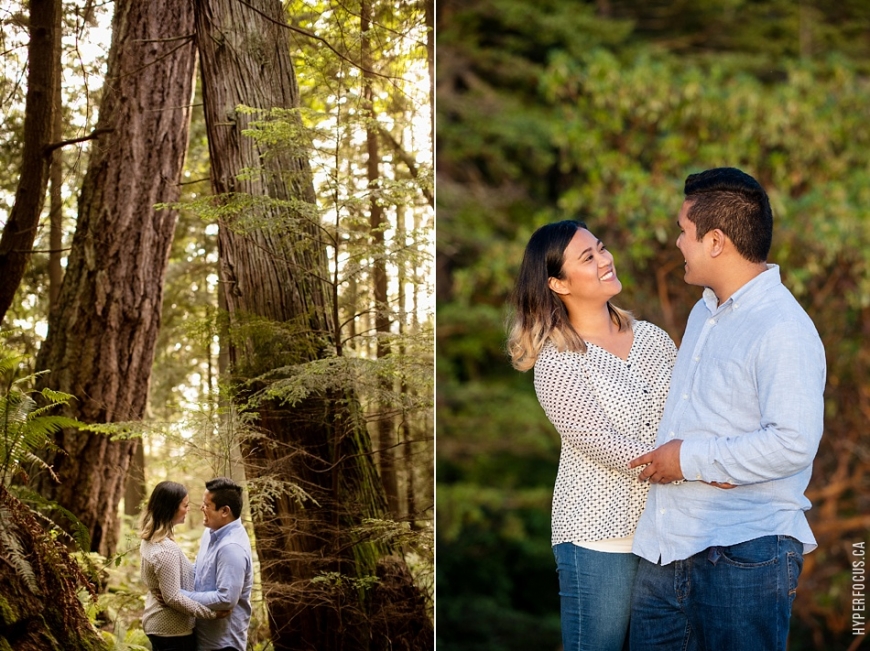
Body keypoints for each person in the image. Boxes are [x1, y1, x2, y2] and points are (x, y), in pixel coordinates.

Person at [628, 167, 826, 651]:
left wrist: (687, 459)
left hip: (744, 554)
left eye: (684, 232)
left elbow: (794, 442)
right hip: (666, 550)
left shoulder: (783, 327)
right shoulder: (704, 311)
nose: (677, 243)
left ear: (716, 241)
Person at [508, 220, 678, 651]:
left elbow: (687, 414)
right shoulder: (557, 360)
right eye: (588, 257)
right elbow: (597, 438)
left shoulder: (654, 339)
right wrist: (677, 465)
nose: (605, 259)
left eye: (602, 248)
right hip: (598, 535)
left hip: (666, 533)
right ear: (557, 283)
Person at [139, 481, 230, 651]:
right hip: (171, 632)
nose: (188, 509)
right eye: (185, 505)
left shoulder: (149, 539)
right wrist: (211, 614)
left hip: (162, 626)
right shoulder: (165, 550)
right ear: (170, 508)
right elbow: (173, 598)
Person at [180, 477, 254, 651]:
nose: (201, 508)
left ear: (225, 511)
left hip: (223, 645)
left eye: (207, 505)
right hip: (203, 639)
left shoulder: (232, 548)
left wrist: (178, 596)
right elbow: (198, 572)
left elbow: (226, 599)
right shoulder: (210, 532)